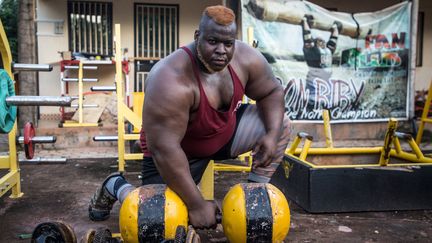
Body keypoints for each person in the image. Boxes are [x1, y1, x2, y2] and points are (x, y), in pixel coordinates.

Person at [88, 5, 291, 229]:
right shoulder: (170, 78)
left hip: (223, 135)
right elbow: (165, 150)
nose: (221, 50)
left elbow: (271, 92)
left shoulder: (245, 58)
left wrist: (271, 135)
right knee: (156, 218)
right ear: (197, 37)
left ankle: (253, 203)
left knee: (279, 124)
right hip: (177, 154)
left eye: (228, 43)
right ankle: (116, 185)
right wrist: (196, 205)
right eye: (213, 41)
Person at [301, 14, 342, 110]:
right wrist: (305, 22)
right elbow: (307, 38)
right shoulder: (313, 51)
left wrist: (336, 29)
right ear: (315, 43)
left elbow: (332, 42)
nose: (323, 43)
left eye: (323, 41)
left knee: (325, 109)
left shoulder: (327, 51)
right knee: (313, 107)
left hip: (325, 88)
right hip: (314, 86)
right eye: (320, 41)